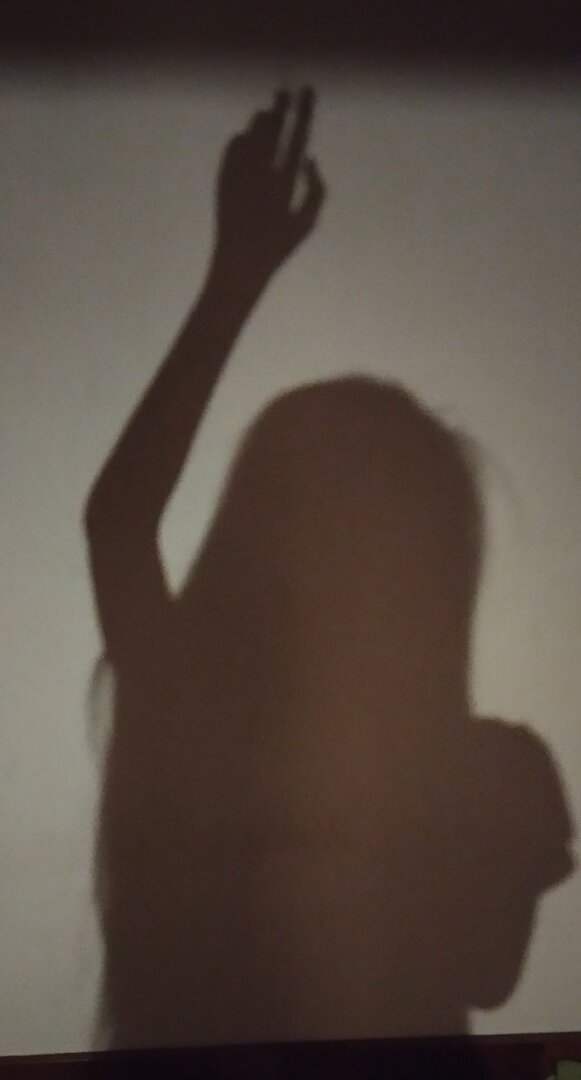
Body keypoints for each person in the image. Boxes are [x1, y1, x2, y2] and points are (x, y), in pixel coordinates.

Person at [86, 90, 574, 1052]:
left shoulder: (194, 729)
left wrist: (232, 282)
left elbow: (117, 527)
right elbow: (485, 970)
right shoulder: (480, 772)